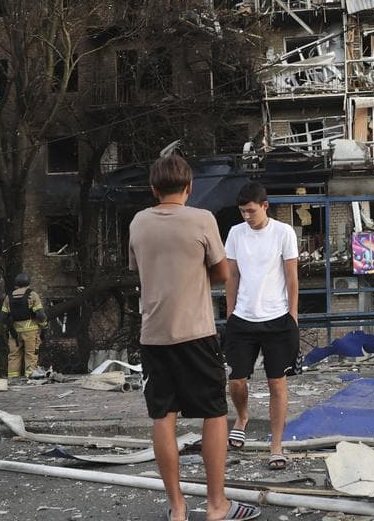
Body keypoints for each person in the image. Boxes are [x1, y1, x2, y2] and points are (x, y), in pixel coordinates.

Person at [128, 155, 260, 521]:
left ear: (154, 190)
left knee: (162, 417)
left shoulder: (138, 222)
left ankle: (177, 508)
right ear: (189, 188)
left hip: (154, 335)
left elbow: (139, 268)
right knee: (215, 415)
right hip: (196, 334)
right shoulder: (202, 219)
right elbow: (221, 273)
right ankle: (217, 505)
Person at [223, 182, 300, 471]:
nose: (246, 216)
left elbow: (291, 277)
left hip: (277, 318)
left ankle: (276, 446)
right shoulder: (235, 233)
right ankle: (242, 418)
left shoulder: (283, 232)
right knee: (236, 380)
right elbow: (231, 275)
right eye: (242, 211)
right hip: (242, 318)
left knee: (276, 383)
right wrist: (230, 314)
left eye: (251, 211)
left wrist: (293, 315)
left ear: (265, 206)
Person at [2, 272, 46, 379]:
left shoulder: (9, 297)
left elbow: (3, 317)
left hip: (15, 332)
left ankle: (12, 379)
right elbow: (40, 314)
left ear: (16, 284)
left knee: (13, 356)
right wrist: (44, 325)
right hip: (31, 331)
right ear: (28, 283)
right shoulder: (32, 295)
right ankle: (30, 378)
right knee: (31, 355)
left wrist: (10, 328)